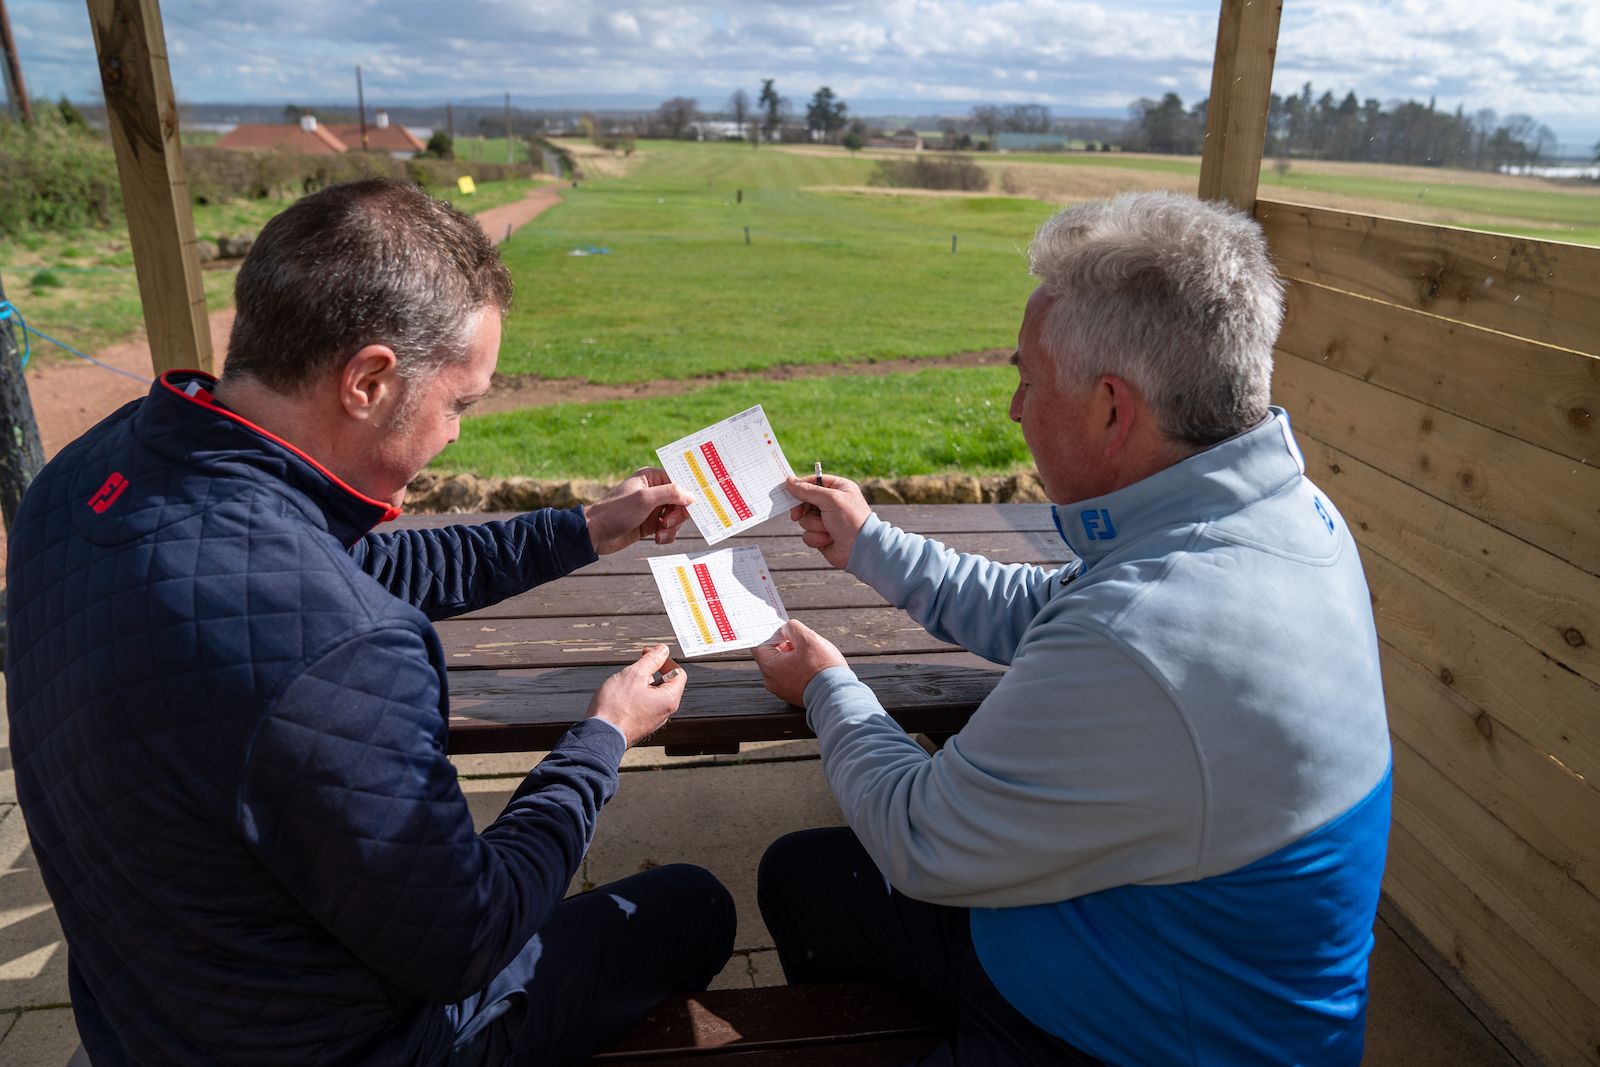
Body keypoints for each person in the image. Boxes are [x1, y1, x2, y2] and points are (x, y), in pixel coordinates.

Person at [5, 178, 735, 1066]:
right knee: (693, 907)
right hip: (341, 1045)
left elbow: (353, 566)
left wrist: (585, 527)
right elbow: (465, 937)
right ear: (369, 380)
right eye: (459, 402)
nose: (458, 434)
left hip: (145, 1013)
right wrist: (600, 739)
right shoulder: (344, 652)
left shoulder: (91, 470)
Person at [751, 191, 1391, 1066]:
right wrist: (872, 546)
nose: (1015, 409)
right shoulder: (1276, 513)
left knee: (835, 875)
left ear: (1112, 409)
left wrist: (827, 685)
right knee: (806, 876)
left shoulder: (1144, 631)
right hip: (1157, 955)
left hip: (1138, 1038)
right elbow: (1057, 608)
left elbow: (921, 837)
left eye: (1026, 380)